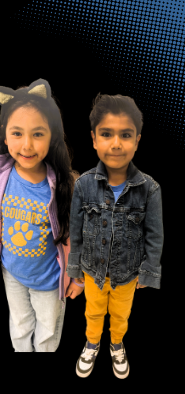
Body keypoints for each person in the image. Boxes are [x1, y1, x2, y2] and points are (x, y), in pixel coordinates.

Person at [0, 79, 76, 352]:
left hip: (50, 280)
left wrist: (78, 277)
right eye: (17, 133)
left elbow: (78, 236)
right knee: (19, 325)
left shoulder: (64, 185)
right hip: (13, 273)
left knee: (47, 331)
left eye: (38, 134)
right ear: (5, 136)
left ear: (52, 136)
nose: (27, 145)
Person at [69, 94, 162, 378]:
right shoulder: (83, 185)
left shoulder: (150, 189)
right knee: (93, 312)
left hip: (128, 275)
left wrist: (148, 270)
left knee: (121, 315)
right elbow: (75, 230)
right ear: (94, 139)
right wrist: (75, 269)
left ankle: (117, 344)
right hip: (92, 271)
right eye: (107, 134)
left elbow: (154, 235)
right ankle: (92, 343)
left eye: (126, 135)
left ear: (137, 140)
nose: (116, 143)